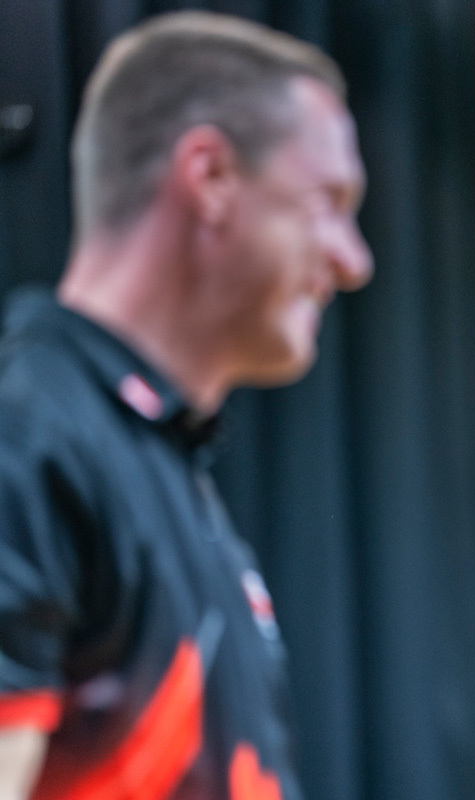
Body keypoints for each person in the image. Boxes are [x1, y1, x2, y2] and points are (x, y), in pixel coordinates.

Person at [0, 11, 371, 799]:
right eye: (329, 202)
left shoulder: (155, 456)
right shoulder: (28, 432)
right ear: (210, 178)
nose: (353, 260)